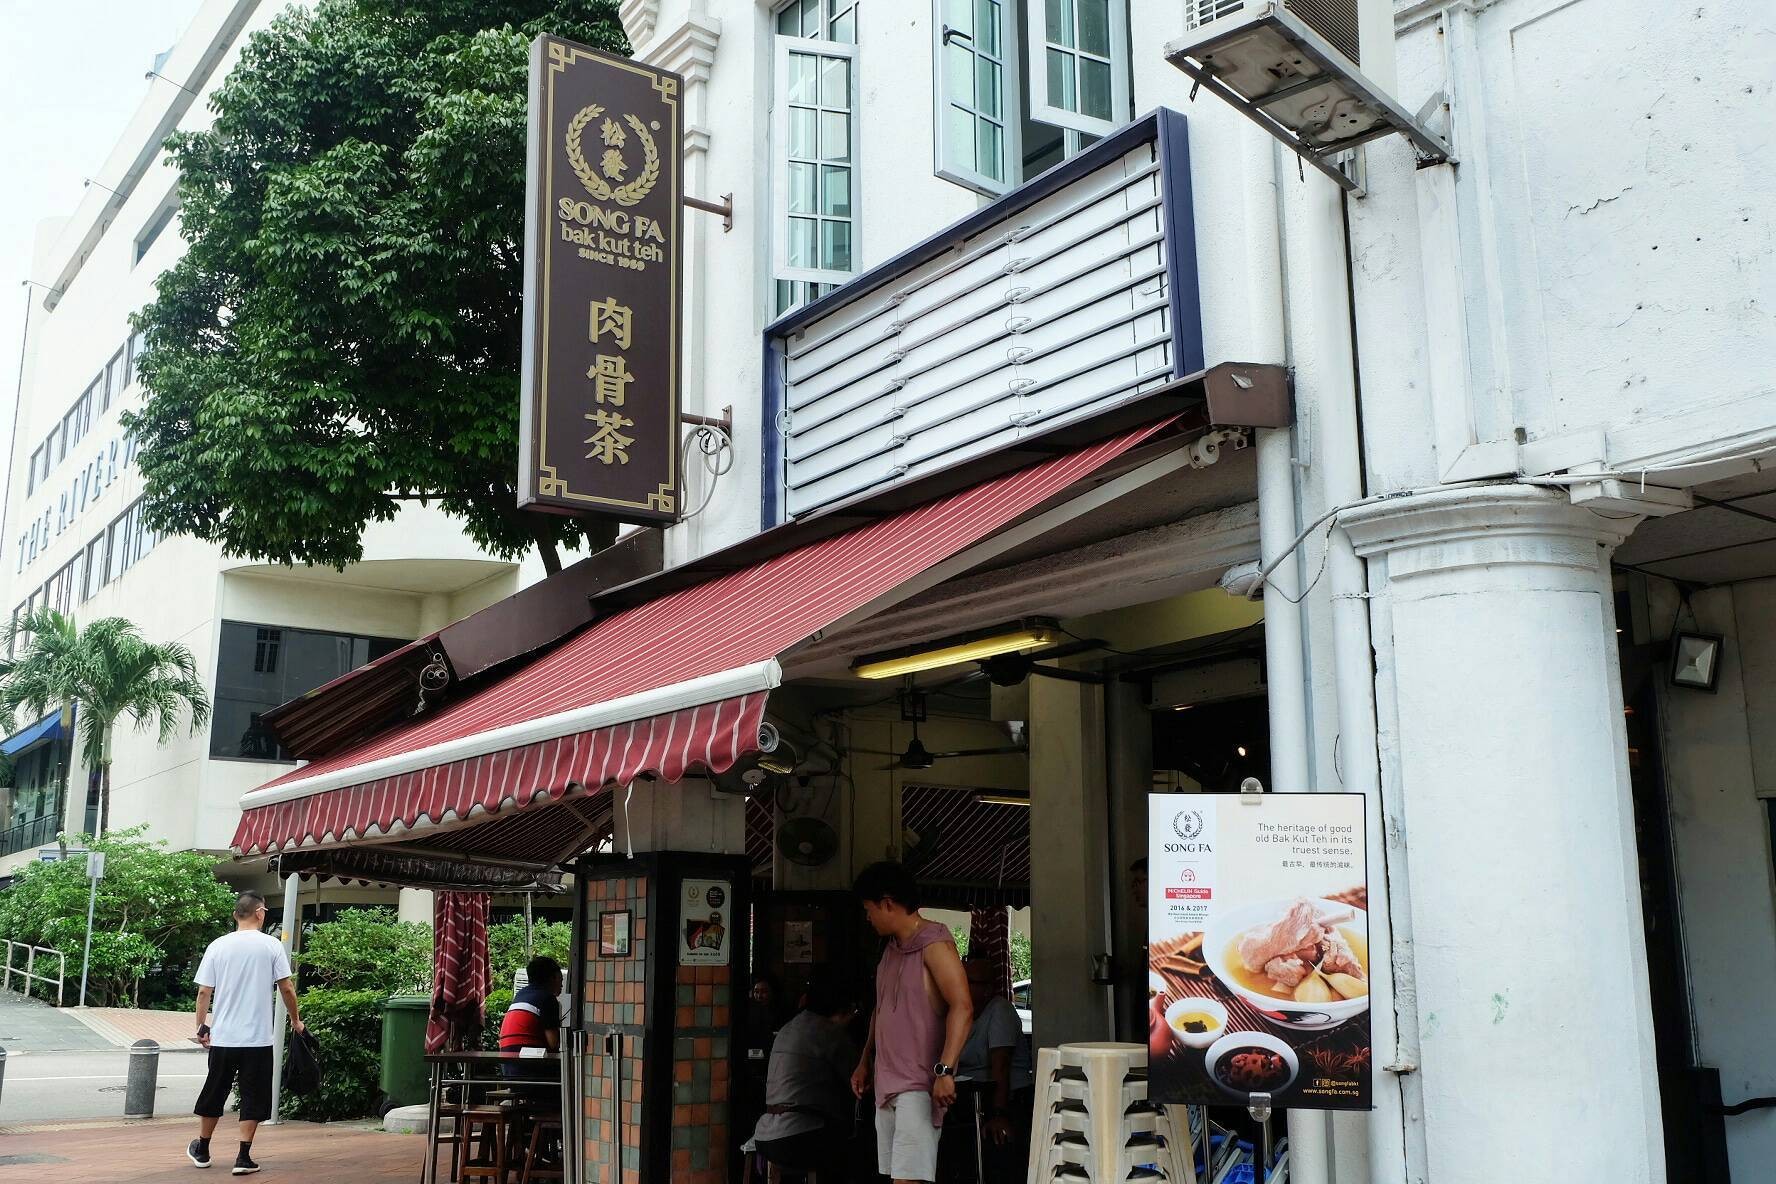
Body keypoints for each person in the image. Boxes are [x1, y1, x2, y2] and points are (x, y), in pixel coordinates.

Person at [850, 861, 973, 1184]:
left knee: (908, 1180)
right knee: (895, 1176)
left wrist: (945, 1071)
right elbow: (882, 1009)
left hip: (919, 1084)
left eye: (869, 908)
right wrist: (865, 1060)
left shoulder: (935, 944)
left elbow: (963, 1007)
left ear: (888, 903)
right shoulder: (890, 950)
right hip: (886, 1082)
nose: (868, 917)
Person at [188, 891, 304, 1176]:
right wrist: (296, 1020)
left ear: (235, 915)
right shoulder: (271, 946)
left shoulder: (218, 946)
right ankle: (243, 1157)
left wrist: (202, 1027)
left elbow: (204, 991)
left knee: (215, 1091)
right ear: (261, 913)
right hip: (258, 1039)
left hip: (224, 1037)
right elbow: (286, 987)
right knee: (254, 1095)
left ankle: (202, 1149)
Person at [752, 975, 858, 1180]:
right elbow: (857, 1078)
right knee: (854, 1149)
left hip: (765, 1135)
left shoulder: (789, 1026)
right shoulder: (828, 1030)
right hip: (797, 1137)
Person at [953, 956, 1035, 1181]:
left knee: (998, 1153)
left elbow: (1001, 1065)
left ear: (987, 989)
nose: (962, 985)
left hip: (1007, 1098)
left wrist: (1000, 1114)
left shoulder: (999, 1010)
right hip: (972, 1097)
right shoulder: (959, 1013)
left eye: (969, 981)